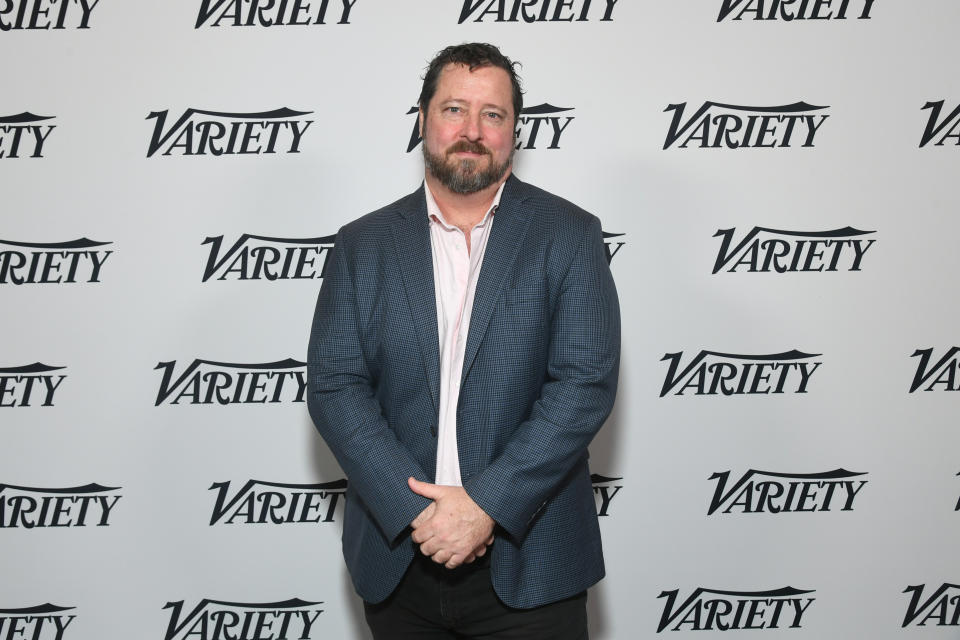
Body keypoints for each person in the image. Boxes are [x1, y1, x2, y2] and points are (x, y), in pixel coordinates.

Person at [307, 42, 620, 640]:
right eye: (454, 109)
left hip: (534, 564)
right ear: (423, 119)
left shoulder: (569, 234)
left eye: (493, 115)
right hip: (400, 563)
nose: (472, 130)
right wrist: (420, 514)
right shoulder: (362, 243)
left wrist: (484, 507)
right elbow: (335, 387)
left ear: (515, 131)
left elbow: (583, 386)